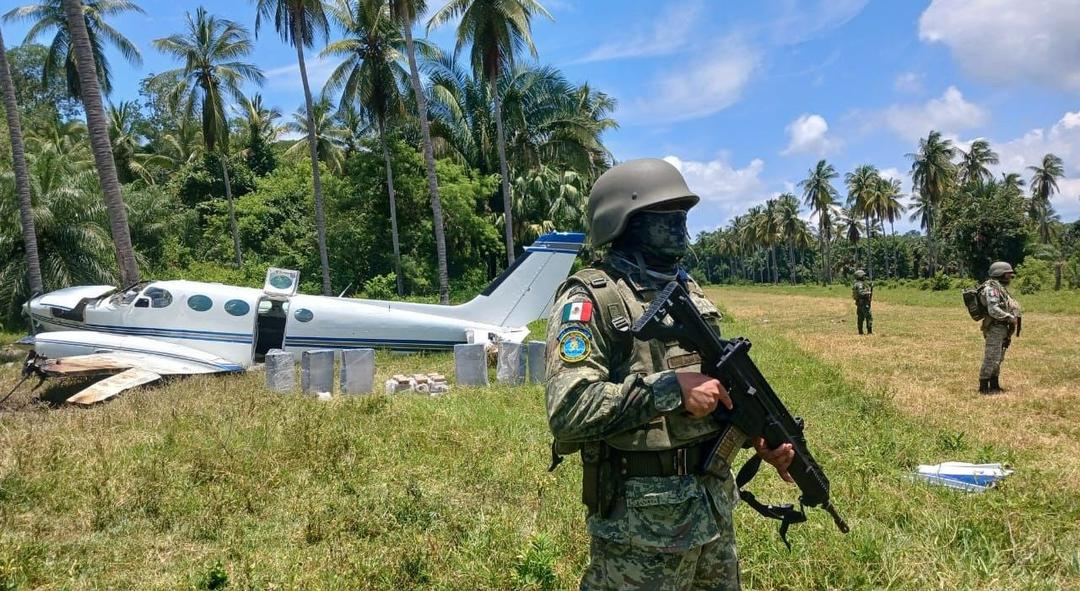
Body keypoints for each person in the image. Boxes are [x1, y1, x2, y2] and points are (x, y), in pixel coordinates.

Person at [545, 158, 795, 590]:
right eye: (666, 215)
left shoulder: (685, 289)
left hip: (712, 509)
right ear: (625, 221)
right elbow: (569, 408)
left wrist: (758, 436)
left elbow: (717, 388)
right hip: (641, 526)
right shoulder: (593, 297)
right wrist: (670, 390)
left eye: (682, 213)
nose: (680, 225)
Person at [978, 261, 1021, 394]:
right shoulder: (991, 289)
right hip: (995, 327)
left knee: (999, 357)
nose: (1010, 277)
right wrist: (1010, 317)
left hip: (1003, 328)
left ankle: (994, 383)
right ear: (1000, 274)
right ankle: (984, 386)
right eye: (1008, 274)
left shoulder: (1000, 288)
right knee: (991, 356)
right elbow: (993, 310)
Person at [852, 269, 873, 335]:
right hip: (863, 303)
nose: (864, 277)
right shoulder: (860, 284)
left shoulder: (856, 284)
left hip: (859, 303)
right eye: (863, 275)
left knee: (860, 317)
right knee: (868, 316)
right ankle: (869, 331)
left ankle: (860, 331)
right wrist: (868, 292)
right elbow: (861, 293)